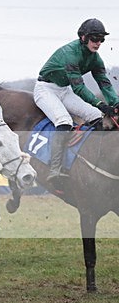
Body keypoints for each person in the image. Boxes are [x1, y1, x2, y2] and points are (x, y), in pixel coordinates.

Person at [34, 18, 119, 189]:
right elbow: (79, 88)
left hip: (64, 90)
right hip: (46, 89)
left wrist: (115, 103)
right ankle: (55, 169)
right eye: (95, 38)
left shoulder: (95, 58)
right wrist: (100, 104)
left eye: (101, 39)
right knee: (64, 121)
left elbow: (104, 82)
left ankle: (93, 162)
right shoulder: (70, 54)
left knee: (96, 117)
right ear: (83, 37)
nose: (98, 43)